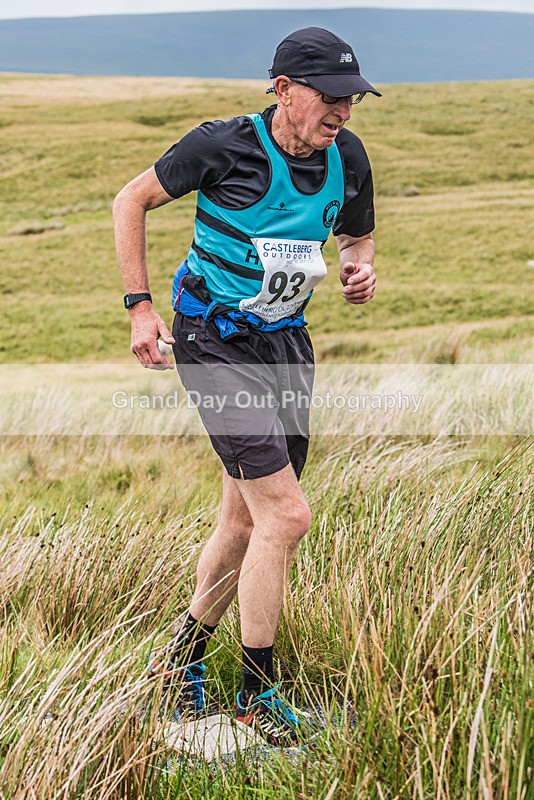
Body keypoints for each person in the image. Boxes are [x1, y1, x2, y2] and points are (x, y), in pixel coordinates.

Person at [113, 26, 379, 747]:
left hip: (285, 344)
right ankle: (257, 696)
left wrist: (360, 266)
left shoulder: (347, 157)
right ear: (284, 90)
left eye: (352, 100)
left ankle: (179, 665)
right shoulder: (221, 145)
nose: (343, 113)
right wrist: (139, 306)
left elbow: (356, 235)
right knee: (286, 518)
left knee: (243, 524)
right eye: (330, 97)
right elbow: (129, 201)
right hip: (215, 341)